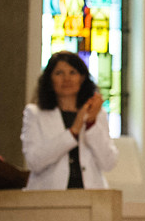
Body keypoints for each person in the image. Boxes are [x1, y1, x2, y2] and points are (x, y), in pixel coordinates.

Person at [21, 51, 118, 190]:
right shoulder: (35, 114)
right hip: (48, 195)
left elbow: (109, 163)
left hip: (91, 195)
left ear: (82, 78)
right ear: (50, 79)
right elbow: (34, 161)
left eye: (72, 72)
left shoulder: (97, 114)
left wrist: (91, 124)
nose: (66, 78)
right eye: (59, 73)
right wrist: (73, 132)